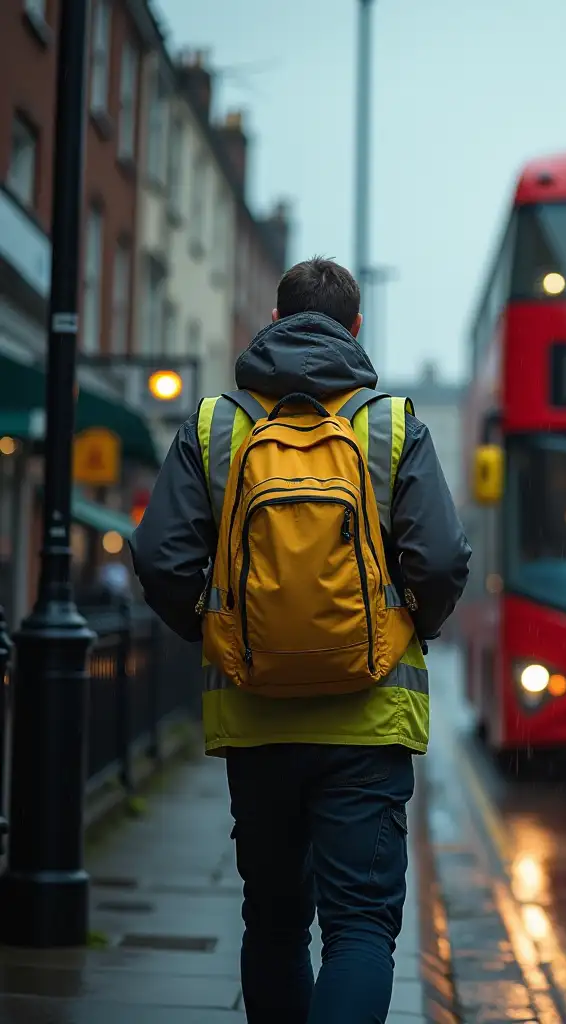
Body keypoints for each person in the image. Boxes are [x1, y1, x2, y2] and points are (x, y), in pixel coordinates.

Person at [130, 257, 471, 1024]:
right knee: (359, 929)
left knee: (275, 922)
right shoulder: (389, 425)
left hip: (256, 718)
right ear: (356, 328)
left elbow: (158, 558)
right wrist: (414, 626)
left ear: (275, 321)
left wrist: (216, 633)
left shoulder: (219, 424)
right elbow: (442, 559)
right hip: (368, 719)